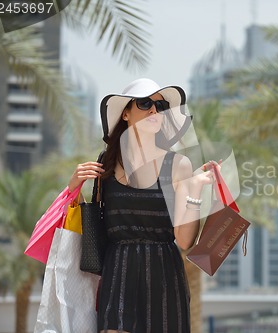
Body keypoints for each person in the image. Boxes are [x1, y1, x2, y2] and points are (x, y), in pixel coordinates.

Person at [68, 78, 214, 333]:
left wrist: (195, 188)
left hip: (165, 276)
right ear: (126, 113)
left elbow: (184, 240)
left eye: (160, 105)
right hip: (118, 272)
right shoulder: (107, 164)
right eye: (145, 103)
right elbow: (83, 217)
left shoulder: (178, 165)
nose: (154, 111)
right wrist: (73, 187)